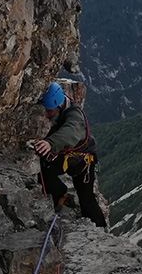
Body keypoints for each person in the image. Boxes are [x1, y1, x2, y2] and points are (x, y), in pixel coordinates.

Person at [33, 82, 107, 228]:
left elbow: (71, 132)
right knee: (43, 166)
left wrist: (50, 143)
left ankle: (100, 229)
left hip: (83, 162)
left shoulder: (74, 114)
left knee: (86, 199)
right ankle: (59, 192)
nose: (46, 115)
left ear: (59, 106)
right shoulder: (58, 104)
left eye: (50, 111)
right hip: (66, 157)